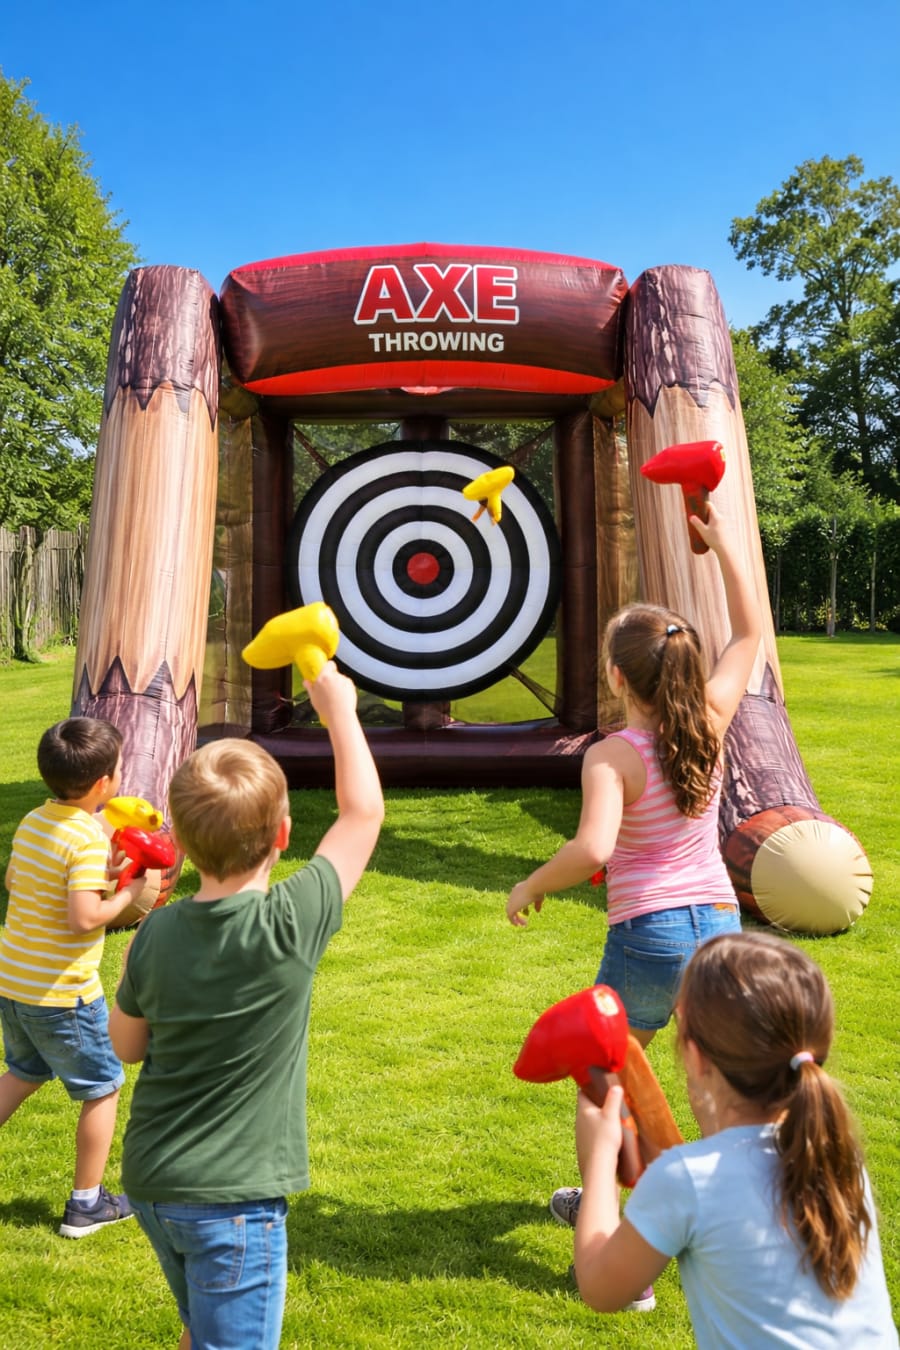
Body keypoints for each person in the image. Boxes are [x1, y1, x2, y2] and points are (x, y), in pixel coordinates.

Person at [505, 503, 760, 1265]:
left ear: (617, 675)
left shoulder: (611, 756)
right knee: (710, 1075)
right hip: (719, 924)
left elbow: (592, 848)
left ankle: (612, 1224)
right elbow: (750, 634)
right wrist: (723, 545)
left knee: (605, 1076)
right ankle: (730, 1219)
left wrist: (531, 884)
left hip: (649, 932)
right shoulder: (711, 719)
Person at [109, 661, 383, 1350]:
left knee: (202, 1331)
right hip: (233, 1203)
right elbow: (362, 814)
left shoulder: (154, 933)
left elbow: (126, 1047)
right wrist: (339, 711)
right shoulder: (290, 921)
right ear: (283, 834)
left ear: (179, 837)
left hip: (154, 1181)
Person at [572, 931, 898, 1347]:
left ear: (695, 1057)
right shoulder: (835, 1156)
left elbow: (600, 1287)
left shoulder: (687, 1180)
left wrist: (603, 1155)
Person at [0, 716, 148, 1237]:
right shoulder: (86, 837)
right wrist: (128, 896)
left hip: (15, 982)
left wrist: (94, 878)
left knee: (23, 1073)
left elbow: (15, 879)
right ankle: (86, 1205)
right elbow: (84, 918)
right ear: (104, 783)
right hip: (62, 994)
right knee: (103, 1087)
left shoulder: (34, 820)